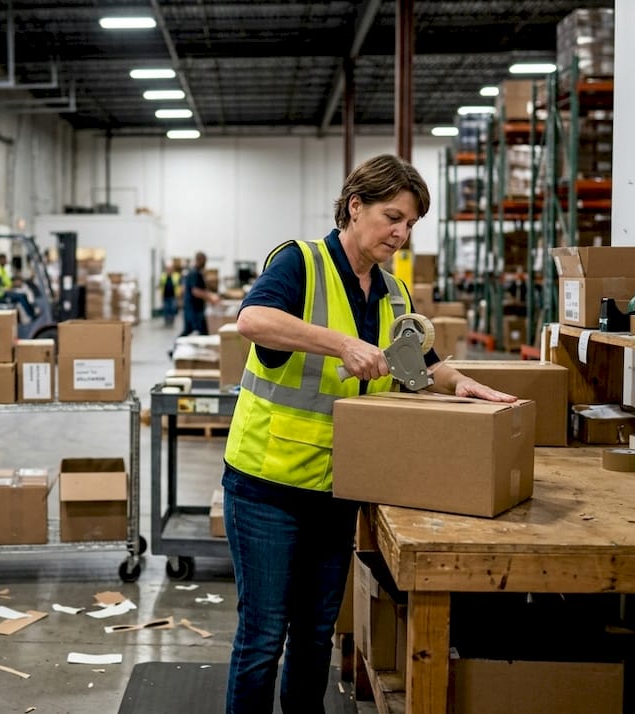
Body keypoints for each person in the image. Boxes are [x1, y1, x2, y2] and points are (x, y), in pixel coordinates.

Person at [221, 154, 516, 714]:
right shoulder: (300, 264)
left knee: (313, 636)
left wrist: (464, 385)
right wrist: (342, 343)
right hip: (267, 485)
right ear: (355, 207)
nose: (401, 234)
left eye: (410, 224)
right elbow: (252, 321)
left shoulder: (393, 293)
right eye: (392, 217)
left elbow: (417, 364)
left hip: (337, 491)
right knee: (263, 638)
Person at [179, 251, 220, 337]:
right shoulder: (194, 273)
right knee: (196, 332)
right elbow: (196, 291)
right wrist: (211, 297)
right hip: (193, 309)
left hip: (195, 308)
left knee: (190, 331)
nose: (205, 263)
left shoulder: (197, 272)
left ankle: (176, 348)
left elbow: (201, 289)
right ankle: (176, 349)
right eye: (204, 261)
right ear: (199, 260)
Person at [160, 261, 181, 327]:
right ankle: (166, 322)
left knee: (172, 309)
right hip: (165, 296)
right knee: (166, 309)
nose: (169, 270)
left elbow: (179, 285)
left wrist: (179, 294)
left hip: (173, 296)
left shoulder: (176, 276)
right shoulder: (163, 276)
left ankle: (172, 321)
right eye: (168, 268)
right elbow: (161, 285)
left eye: (170, 268)